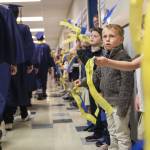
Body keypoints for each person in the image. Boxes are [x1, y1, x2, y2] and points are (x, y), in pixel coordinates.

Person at [98, 24, 134, 150]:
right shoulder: (105, 57)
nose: (107, 39)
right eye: (105, 36)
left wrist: (123, 107)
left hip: (119, 104)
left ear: (121, 39)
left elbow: (127, 84)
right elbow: (98, 76)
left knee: (122, 135)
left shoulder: (123, 57)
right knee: (112, 133)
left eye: (112, 36)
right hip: (108, 103)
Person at [34, 32, 55, 100]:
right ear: (43, 38)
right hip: (44, 66)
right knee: (44, 79)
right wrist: (50, 66)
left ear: (37, 39)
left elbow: (33, 57)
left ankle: (39, 93)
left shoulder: (35, 47)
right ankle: (44, 93)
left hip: (36, 66)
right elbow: (50, 57)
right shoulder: (47, 46)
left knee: (38, 79)